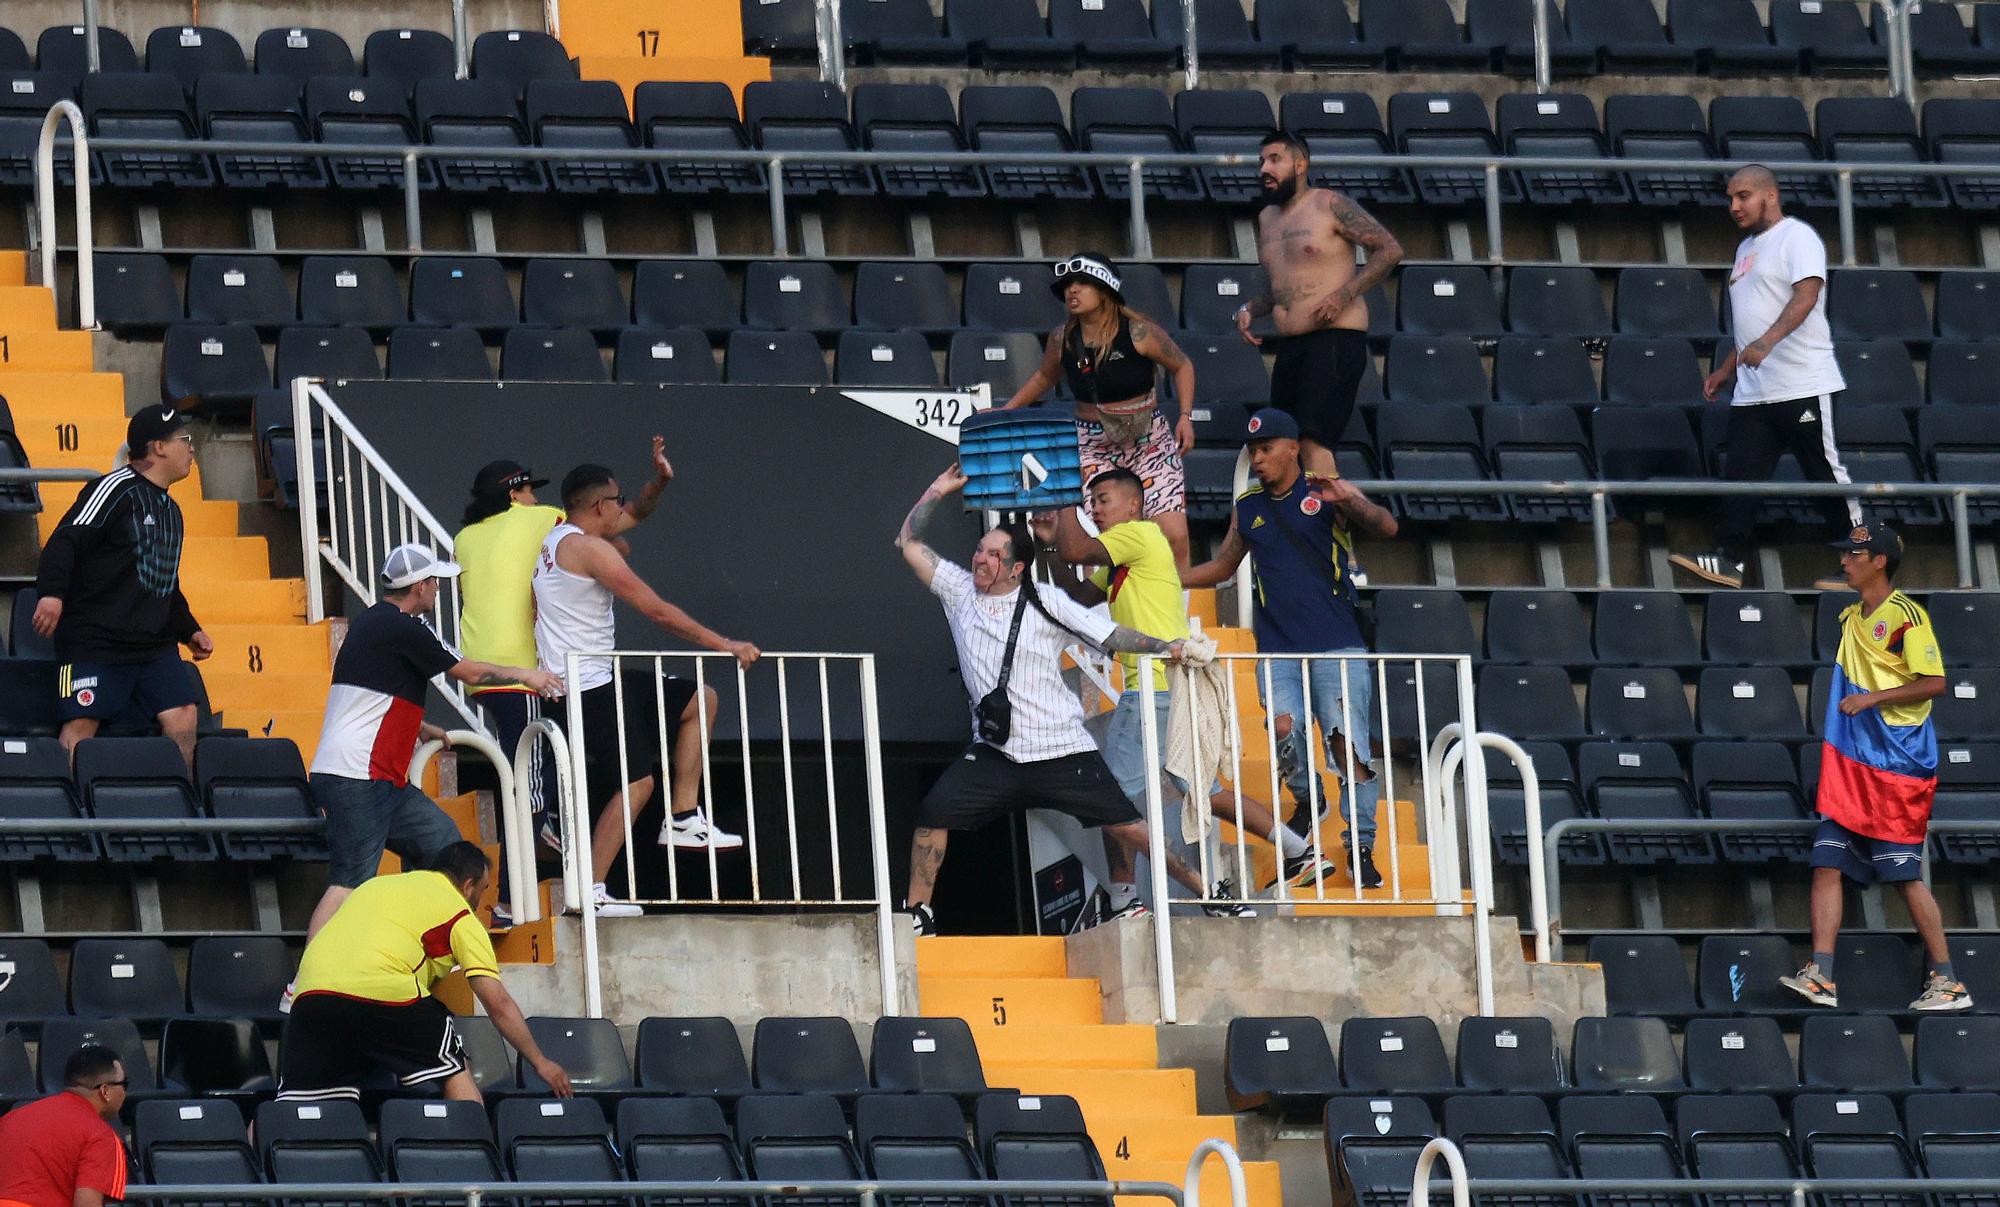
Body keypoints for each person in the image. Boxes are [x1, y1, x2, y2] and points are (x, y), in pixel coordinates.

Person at [894, 463, 1252, 934]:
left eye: (994, 556)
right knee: (932, 814)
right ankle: (918, 913)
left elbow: (1113, 634)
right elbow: (909, 543)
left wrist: (1168, 647)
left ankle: (1208, 891)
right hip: (996, 753)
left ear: (1017, 568)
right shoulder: (958, 591)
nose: (981, 560)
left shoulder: (1044, 601)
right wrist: (937, 489)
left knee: (1127, 825)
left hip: (1062, 750)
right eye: (979, 551)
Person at [1032, 469, 1338, 906]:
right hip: (1173, 688)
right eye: (1089, 501)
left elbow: (1078, 548)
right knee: (1204, 791)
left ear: (1133, 505)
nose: (1094, 509)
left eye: (1102, 500)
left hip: (1153, 689)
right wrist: (1049, 542)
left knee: (1108, 796)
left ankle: (1123, 900)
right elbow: (1074, 597)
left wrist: (1061, 502)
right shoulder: (1126, 553)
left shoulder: (1137, 534)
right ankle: (1299, 851)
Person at [304, 543, 564, 942]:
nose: (438, 589)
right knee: (350, 883)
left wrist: (418, 726)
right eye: (435, 582)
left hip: (380, 780)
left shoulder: (372, 624)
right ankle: (303, 985)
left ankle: (414, 947)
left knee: (443, 847)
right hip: (357, 777)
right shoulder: (403, 627)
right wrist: (525, 675)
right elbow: (470, 673)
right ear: (420, 586)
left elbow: (368, 695)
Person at [1183, 410, 1399, 888]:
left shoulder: (1325, 492)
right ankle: (1308, 798)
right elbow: (1222, 567)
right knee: (1283, 728)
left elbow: (1387, 527)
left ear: (1292, 449)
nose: (1257, 459)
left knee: (1348, 749)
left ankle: (1359, 846)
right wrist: (1168, 578)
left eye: (1266, 450)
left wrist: (1351, 500)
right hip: (1278, 647)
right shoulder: (1248, 506)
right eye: (1253, 452)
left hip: (1337, 643)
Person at [535, 464, 761, 917]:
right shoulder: (587, 550)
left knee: (701, 699)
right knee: (637, 783)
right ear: (599, 506)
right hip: (583, 687)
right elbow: (655, 610)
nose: (622, 509)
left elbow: (638, 512)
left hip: (597, 676)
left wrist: (660, 483)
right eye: (615, 502)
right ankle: (589, 891)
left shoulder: (561, 537)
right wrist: (726, 644)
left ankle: (681, 817)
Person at [455, 441, 676, 902]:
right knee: (531, 788)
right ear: (515, 494)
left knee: (540, 771)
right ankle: (510, 899)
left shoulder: (466, 536)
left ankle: (552, 839)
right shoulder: (541, 521)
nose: (538, 498)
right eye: (530, 491)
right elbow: (615, 522)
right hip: (525, 676)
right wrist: (652, 491)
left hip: (482, 675)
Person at [1780, 524, 1969, 1012]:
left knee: (1904, 876)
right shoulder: (1850, 617)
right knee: (1825, 862)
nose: (1844, 561)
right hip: (1852, 764)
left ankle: (1947, 980)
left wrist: (1873, 699)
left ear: (1879, 561)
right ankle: (1820, 972)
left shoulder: (1908, 616)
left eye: (1853, 554)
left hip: (1896, 766)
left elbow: (1935, 682)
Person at [1671, 164, 1860, 590]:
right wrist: (1726, 367)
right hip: (1755, 391)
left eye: (1743, 196)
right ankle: (1729, 560)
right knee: (1741, 478)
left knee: (1825, 475)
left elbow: (1807, 295)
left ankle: (1862, 560)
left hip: (1803, 383)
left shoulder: (1798, 237)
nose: (1734, 206)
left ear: (1769, 196)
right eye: (1731, 198)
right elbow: (1752, 322)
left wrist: (1767, 344)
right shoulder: (1744, 250)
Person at [277, 841, 574, 1103]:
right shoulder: (459, 911)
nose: (480, 902)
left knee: (290, 1107)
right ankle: (475, 1151)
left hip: (311, 996)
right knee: (454, 1068)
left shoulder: (375, 886)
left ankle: (253, 1155)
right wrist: (540, 1062)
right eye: (482, 892)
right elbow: (498, 1004)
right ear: (468, 885)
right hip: (385, 995)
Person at [31, 403, 213, 768]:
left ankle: (183, 809)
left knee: (183, 715)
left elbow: (164, 582)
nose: (192, 448)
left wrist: (189, 629)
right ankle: (69, 815)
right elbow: (65, 540)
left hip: (152, 647)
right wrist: (51, 593)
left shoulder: (172, 510)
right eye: (184, 440)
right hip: (94, 642)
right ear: (159, 447)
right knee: (80, 726)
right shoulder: (112, 489)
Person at [999, 253, 1198, 569]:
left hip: (1149, 440)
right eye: (1067, 286)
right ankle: (1103, 613)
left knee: (1174, 535)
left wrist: (1185, 416)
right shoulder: (1061, 337)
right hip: (1093, 443)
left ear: (1105, 289)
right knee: (1096, 537)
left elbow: (1182, 365)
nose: (1071, 291)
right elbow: (1044, 378)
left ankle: (1179, 610)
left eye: (1082, 283)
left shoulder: (1138, 332)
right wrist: (1005, 412)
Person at [1235, 131, 1404, 481]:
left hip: (1334, 339)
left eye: (1274, 160)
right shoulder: (1267, 218)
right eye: (1261, 161)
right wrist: (1250, 308)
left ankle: (1335, 533)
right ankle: (1306, 530)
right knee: (1284, 449)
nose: (1264, 168)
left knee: (1313, 444)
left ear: (1300, 164)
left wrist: (1345, 294)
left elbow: (1389, 249)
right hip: (1290, 347)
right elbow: (1286, 287)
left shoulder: (1328, 204)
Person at [0, 1045, 128, 1207]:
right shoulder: (100, 1135)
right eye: (124, 1084)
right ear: (105, 1091)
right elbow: (87, 1204)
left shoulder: (12, 1118)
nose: (125, 1092)